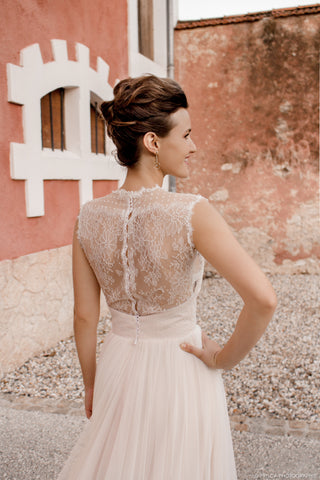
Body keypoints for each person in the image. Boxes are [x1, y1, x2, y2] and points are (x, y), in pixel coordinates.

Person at [58, 74, 277, 479]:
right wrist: (221, 357)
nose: (194, 146)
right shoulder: (191, 212)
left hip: (117, 365)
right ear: (153, 143)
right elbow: (263, 299)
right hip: (182, 368)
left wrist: (92, 385)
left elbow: (85, 317)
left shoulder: (87, 217)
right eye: (187, 135)